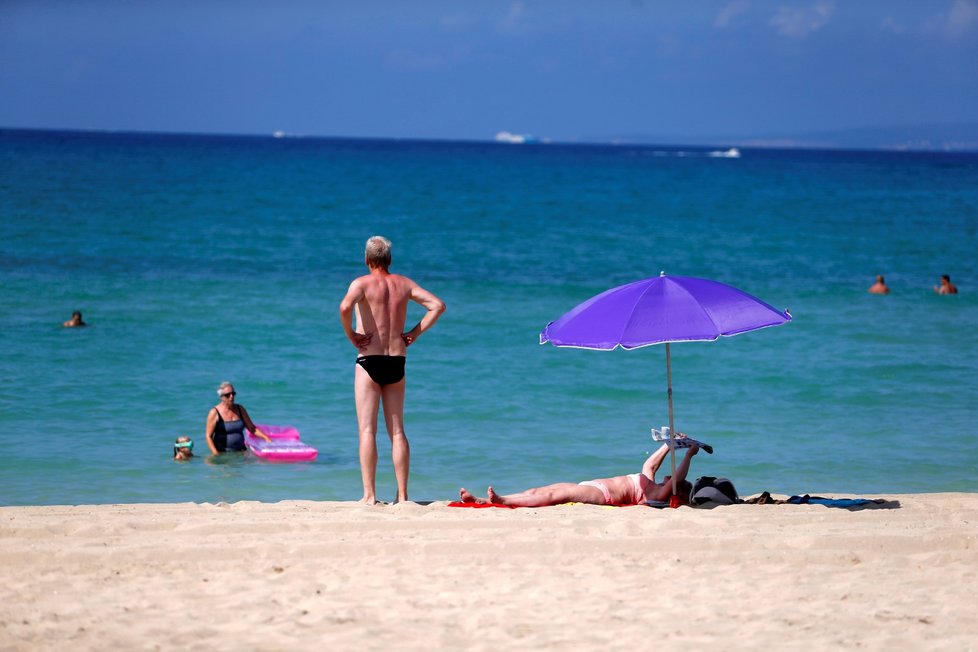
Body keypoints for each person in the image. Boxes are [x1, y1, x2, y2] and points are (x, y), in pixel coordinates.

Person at [338, 236, 446, 504]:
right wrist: (414, 333)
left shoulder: (361, 284)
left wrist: (351, 334)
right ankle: (403, 495)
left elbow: (344, 307)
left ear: (366, 259)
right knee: (397, 431)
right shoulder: (404, 284)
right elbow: (437, 305)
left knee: (367, 430)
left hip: (369, 359)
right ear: (389, 259)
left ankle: (370, 495)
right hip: (396, 360)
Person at [459, 441, 700, 507]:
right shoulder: (650, 480)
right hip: (590, 484)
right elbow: (651, 464)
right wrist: (668, 445)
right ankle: (483, 501)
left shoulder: (657, 493)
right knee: (539, 490)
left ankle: (504, 500)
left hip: (603, 495)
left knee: (555, 495)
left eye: (678, 481)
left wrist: (689, 454)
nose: (670, 477)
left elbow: (677, 479)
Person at [204, 381, 272, 454]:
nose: (231, 396)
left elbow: (252, 428)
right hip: (223, 453)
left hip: (241, 451)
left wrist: (266, 438)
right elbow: (208, 436)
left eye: (233, 394)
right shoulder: (214, 412)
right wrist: (216, 454)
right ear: (221, 397)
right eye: (228, 395)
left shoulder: (240, 409)